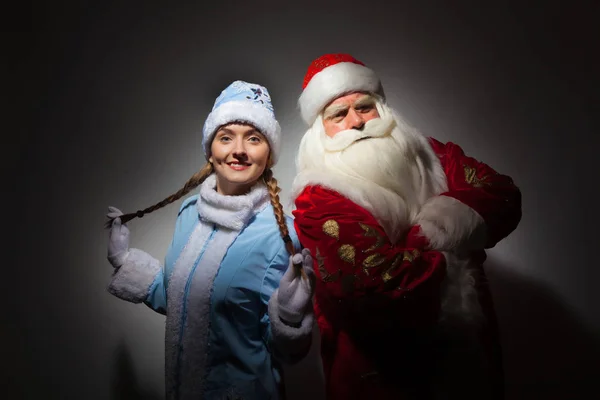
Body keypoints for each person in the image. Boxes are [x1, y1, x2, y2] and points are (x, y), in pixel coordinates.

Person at [291, 53, 522, 399]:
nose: (356, 121)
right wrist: (443, 247)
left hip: (468, 366)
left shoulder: (430, 154)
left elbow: (501, 194)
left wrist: (437, 223)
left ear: (381, 108)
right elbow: (369, 280)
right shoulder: (316, 198)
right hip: (378, 379)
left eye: (364, 107)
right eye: (338, 114)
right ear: (320, 130)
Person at [105, 80, 315, 400]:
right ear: (211, 149)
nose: (239, 150)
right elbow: (184, 301)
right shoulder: (190, 213)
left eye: (254, 138)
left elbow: (287, 353)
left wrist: (289, 317)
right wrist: (125, 262)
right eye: (226, 137)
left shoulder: (280, 236)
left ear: (268, 152)